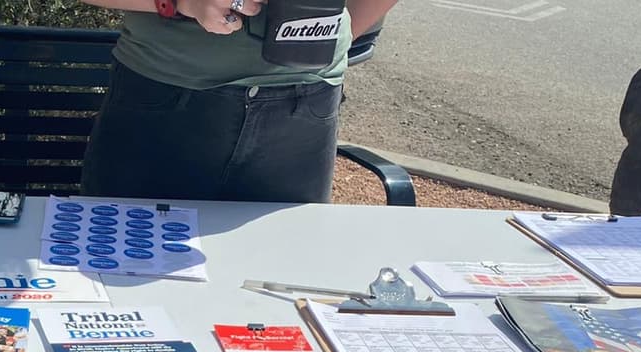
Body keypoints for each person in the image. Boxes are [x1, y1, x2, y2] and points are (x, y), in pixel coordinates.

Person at [79, 0, 400, 202]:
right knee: (127, 268)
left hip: (305, 106)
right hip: (165, 94)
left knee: (285, 271)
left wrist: (333, 33)